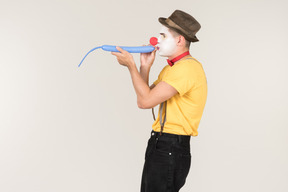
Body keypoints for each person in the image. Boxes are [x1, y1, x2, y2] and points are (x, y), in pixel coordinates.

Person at [112, 9, 207, 192]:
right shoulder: (172, 69)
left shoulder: (186, 69)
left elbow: (145, 101)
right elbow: (145, 96)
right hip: (160, 144)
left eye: (163, 36)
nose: (157, 41)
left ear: (179, 40)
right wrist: (144, 67)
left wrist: (130, 65)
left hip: (170, 147)